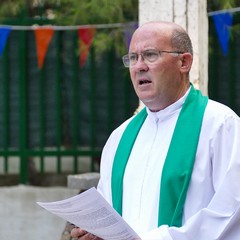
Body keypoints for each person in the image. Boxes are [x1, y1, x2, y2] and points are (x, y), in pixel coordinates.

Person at [71, 21, 240, 240]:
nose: (139, 66)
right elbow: (109, 213)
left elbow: (231, 211)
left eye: (150, 55)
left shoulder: (220, 125)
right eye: (133, 58)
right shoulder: (120, 137)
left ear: (184, 62)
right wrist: (95, 233)